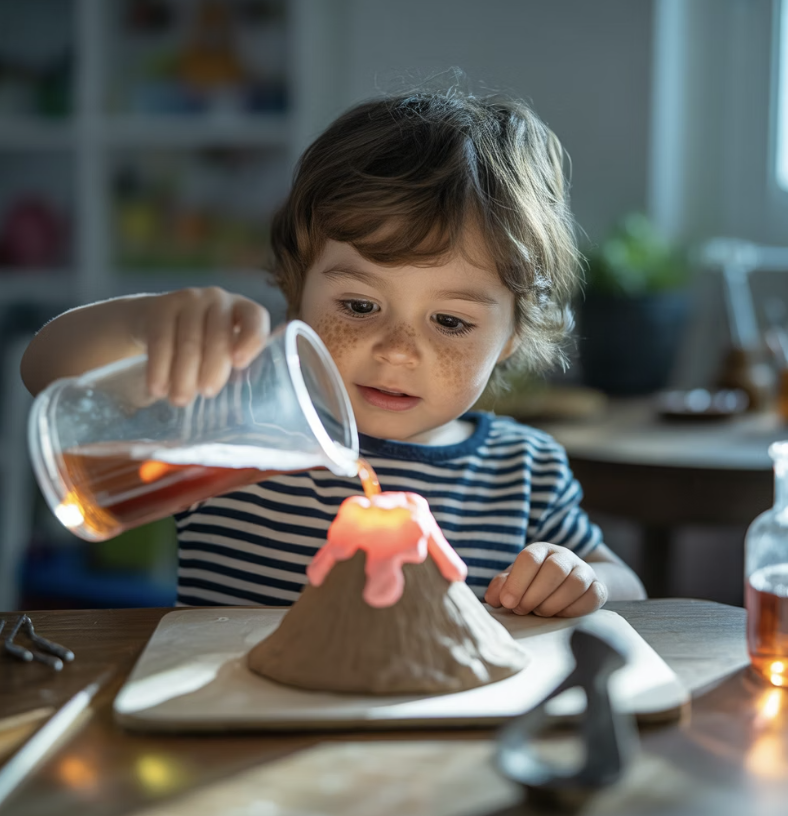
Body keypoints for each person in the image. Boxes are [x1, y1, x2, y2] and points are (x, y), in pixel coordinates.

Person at [21, 87, 646, 615]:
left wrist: (580, 581)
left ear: (510, 335)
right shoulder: (234, 424)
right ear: (299, 288)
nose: (398, 351)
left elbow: (628, 588)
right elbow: (44, 372)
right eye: (359, 306)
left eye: (450, 322)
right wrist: (143, 327)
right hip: (232, 737)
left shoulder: (524, 470)